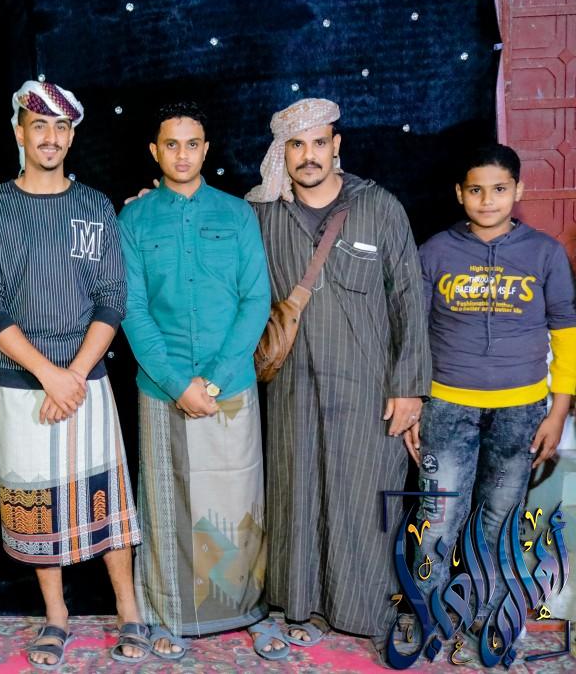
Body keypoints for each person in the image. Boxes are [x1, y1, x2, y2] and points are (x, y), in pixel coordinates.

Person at [0, 80, 147, 669]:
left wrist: (73, 374)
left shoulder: (94, 206)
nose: (50, 137)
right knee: (38, 506)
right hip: (21, 384)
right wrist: (49, 375)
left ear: (71, 137)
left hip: (85, 379)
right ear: (18, 133)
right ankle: (56, 616)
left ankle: (129, 610)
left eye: (61, 127)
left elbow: (112, 299)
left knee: (105, 499)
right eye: (38, 125)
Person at [244, 98, 431, 658]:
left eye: (319, 143)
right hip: (292, 388)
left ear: (336, 146)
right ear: (283, 152)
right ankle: (300, 607)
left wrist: (410, 388)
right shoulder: (262, 214)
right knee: (296, 497)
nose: (309, 156)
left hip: (367, 387)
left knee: (363, 501)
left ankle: (364, 610)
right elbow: (209, 245)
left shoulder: (378, 207)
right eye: (297, 145)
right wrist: (157, 199)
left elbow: (409, 300)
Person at [118, 102, 270, 660]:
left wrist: (217, 379)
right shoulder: (134, 220)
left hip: (232, 385)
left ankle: (247, 610)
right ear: (154, 152)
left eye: (192, 143)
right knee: (167, 506)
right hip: (162, 387)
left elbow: (256, 299)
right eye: (171, 144)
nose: (182, 154)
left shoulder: (236, 214)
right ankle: (168, 614)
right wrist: (178, 382)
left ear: (206, 150)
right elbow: (133, 308)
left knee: (239, 498)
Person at [415, 143, 575, 633]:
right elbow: (412, 333)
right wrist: (414, 402)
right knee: (438, 516)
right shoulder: (435, 251)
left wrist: (558, 412)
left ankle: (489, 615)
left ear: (518, 191)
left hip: (520, 410)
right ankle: (426, 611)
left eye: (500, 189)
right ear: (459, 193)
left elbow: (565, 331)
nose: (488, 201)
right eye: (476, 191)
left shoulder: (545, 253)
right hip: (447, 405)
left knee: (501, 518)